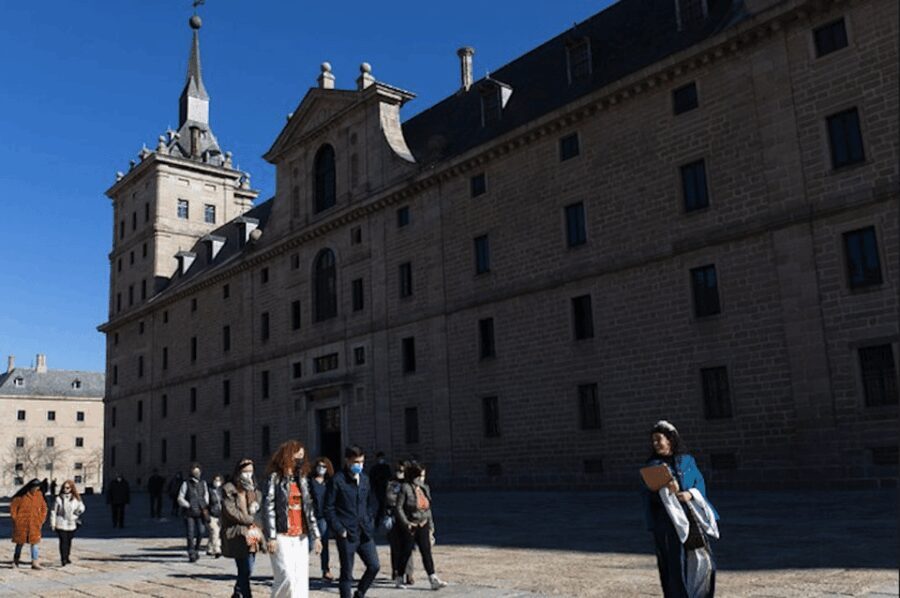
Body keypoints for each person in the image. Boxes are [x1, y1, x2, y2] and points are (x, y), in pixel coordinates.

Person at [642, 420, 719, 598]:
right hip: (667, 523)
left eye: (658, 439)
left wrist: (689, 494)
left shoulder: (687, 461)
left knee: (703, 560)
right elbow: (647, 494)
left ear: (670, 439)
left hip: (692, 518)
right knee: (674, 564)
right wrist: (663, 490)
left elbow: (699, 483)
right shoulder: (652, 465)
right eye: (653, 441)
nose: (655, 444)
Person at [263, 440, 322, 598]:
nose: (300, 461)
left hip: (300, 536)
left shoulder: (302, 479)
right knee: (285, 577)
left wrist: (316, 536)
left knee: (300, 579)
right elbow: (268, 507)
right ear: (288, 456)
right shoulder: (274, 478)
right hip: (282, 534)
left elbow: (309, 508)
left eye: (302, 458)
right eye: (297, 457)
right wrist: (271, 536)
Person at [325, 445, 380, 598]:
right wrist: (339, 528)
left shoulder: (365, 480)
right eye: (356, 462)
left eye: (361, 462)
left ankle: (360, 593)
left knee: (374, 566)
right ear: (347, 461)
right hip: (346, 533)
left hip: (364, 531)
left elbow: (369, 504)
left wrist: (370, 520)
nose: (359, 465)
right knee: (347, 573)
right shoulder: (338, 480)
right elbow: (329, 508)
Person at [395, 461, 447, 590]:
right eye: (420, 476)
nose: (422, 478)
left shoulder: (425, 488)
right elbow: (399, 508)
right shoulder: (405, 488)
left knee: (426, 552)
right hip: (411, 525)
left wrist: (431, 527)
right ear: (414, 476)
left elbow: (428, 509)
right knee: (406, 552)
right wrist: (406, 523)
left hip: (423, 524)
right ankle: (399, 577)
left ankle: (433, 578)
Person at [222, 458, 265, 598]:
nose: (248, 475)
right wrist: (249, 519)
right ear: (238, 472)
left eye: (251, 472)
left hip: (252, 533)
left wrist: (255, 503)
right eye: (245, 472)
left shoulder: (254, 490)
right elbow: (231, 511)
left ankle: (237, 592)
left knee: (249, 568)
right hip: (237, 533)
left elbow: (259, 507)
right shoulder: (229, 488)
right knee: (244, 568)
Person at [385, 460, 415, 586]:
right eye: (397, 470)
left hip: (407, 518)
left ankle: (409, 574)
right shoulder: (392, 483)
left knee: (408, 546)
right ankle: (396, 570)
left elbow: (413, 500)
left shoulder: (410, 485)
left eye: (401, 470)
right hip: (394, 518)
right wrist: (402, 501)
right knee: (395, 546)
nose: (399, 473)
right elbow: (389, 498)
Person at [10, 478, 48, 569]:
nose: (37, 489)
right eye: (35, 487)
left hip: (34, 523)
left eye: (38, 487)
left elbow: (44, 508)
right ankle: (16, 561)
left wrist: (41, 519)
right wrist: (16, 519)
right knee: (19, 543)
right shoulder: (21, 496)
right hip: (22, 523)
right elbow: (13, 508)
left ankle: (35, 562)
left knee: (34, 543)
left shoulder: (39, 495)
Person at [178, 463, 210, 562]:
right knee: (190, 533)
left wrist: (204, 505)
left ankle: (196, 549)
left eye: (198, 471)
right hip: (189, 513)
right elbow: (180, 497)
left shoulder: (203, 483)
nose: (196, 473)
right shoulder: (186, 483)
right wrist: (188, 505)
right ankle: (191, 552)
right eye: (194, 471)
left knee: (201, 531)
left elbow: (206, 495)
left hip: (201, 512)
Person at [309, 456, 335, 581]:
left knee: (324, 544)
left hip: (323, 517)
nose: (321, 468)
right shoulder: (310, 481)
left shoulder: (329, 483)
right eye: (319, 466)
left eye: (324, 466)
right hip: (312, 516)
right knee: (308, 544)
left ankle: (326, 570)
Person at [50, 480, 85, 566]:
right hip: (61, 523)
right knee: (63, 541)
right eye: (64, 488)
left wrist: (77, 512)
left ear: (71, 488)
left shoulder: (76, 498)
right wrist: (53, 523)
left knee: (69, 541)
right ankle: (63, 558)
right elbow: (53, 511)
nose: (66, 489)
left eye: (68, 488)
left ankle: (67, 556)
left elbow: (82, 507)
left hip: (72, 523)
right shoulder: (59, 499)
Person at [369, 451, 391, 527]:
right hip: (378, 488)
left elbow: (389, 476)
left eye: (382, 458)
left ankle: (382, 519)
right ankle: (378, 520)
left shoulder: (386, 467)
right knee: (381, 504)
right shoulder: (374, 468)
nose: (381, 459)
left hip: (386, 488)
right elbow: (371, 479)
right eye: (380, 458)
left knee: (385, 504)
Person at [207, 474, 225, 558]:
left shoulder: (220, 491)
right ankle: (217, 549)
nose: (217, 482)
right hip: (212, 514)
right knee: (215, 531)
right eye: (215, 480)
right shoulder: (209, 490)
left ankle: (209, 548)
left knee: (214, 533)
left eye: (219, 480)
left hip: (220, 514)